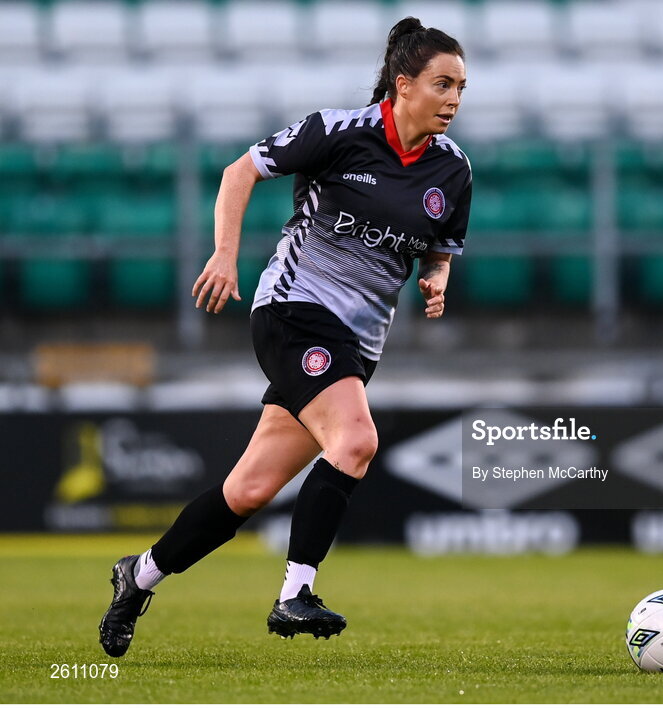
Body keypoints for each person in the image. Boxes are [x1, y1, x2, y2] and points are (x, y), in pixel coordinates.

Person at [98, 17, 471, 657]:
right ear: (403, 84)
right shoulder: (338, 132)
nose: (455, 98)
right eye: (443, 83)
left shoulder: (453, 170)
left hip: (358, 347)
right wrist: (224, 255)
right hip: (293, 310)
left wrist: (436, 279)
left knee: (248, 490)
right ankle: (293, 593)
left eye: (462, 86)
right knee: (356, 439)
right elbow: (238, 172)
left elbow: (439, 250)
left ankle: (140, 574)